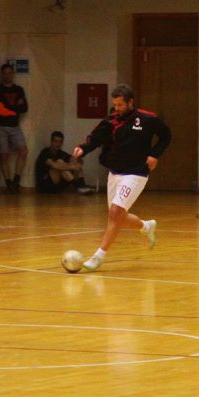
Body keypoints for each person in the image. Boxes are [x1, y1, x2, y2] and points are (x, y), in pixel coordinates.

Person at [70, 84, 171, 272]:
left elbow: (166, 135)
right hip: (115, 173)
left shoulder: (147, 118)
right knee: (117, 217)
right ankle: (146, 226)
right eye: (114, 105)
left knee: (116, 212)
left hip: (136, 173)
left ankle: (98, 257)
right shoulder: (112, 120)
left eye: (120, 105)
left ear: (130, 102)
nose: (116, 108)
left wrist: (155, 154)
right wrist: (83, 148)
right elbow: (96, 138)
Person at [0, 62, 30, 193]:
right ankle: (8, 184)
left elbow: (24, 108)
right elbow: (0, 110)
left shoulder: (19, 89)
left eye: (9, 73)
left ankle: (16, 181)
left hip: (15, 126)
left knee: (23, 151)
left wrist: (8, 108)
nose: (7, 75)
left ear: (13, 74)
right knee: (4, 155)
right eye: (5, 73)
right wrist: (15, 108)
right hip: (1, 126)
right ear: (2, 75)